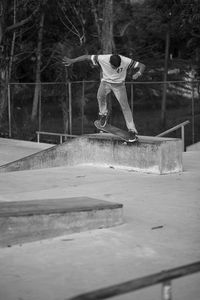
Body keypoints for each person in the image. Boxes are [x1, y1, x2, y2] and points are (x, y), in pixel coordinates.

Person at [63, 54, 145, 142]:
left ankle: (132, 130)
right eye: (113, 67)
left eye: (116, 67)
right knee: (100, 96)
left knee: (125, 106)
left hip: (119, 86)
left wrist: (138, 73)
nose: (114, 69)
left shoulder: (126, 60)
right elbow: (86, 57)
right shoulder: (103, 58)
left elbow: (142, 66)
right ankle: (103, 115)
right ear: (109, 62)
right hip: (105, 83)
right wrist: (72, 60)